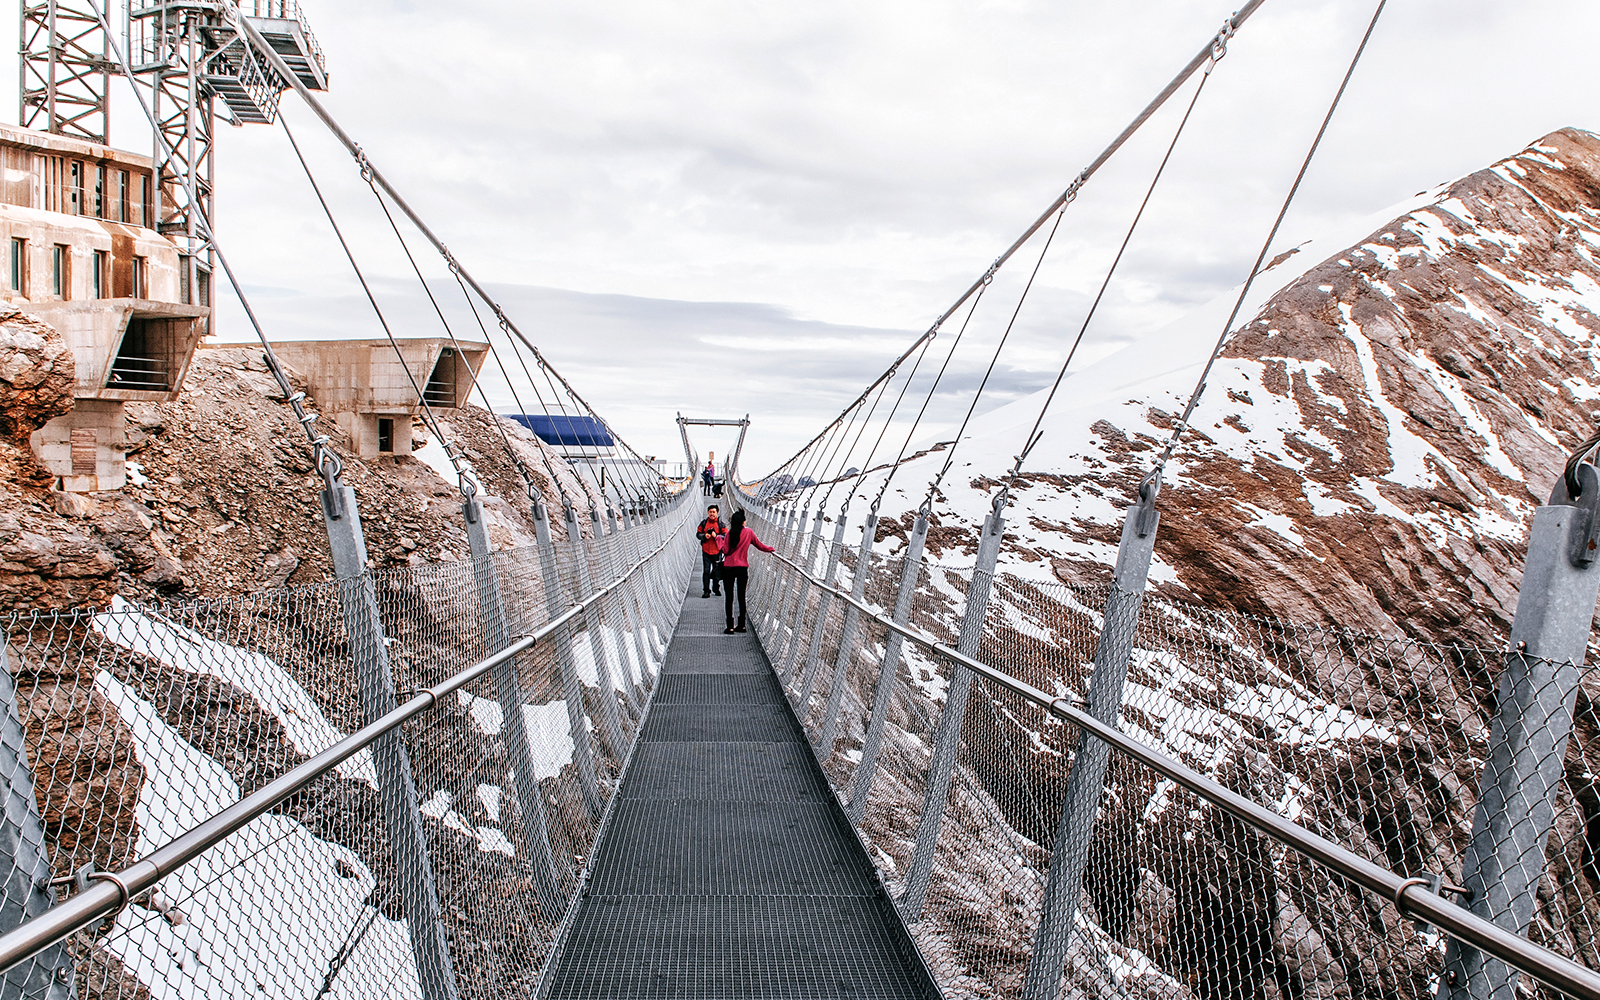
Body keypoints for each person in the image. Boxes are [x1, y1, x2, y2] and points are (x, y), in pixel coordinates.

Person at [718, 509, 773, 634]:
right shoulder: (749, 532)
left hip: (728, 568)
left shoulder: (729, 534)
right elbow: (760, 545)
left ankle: (730, 626)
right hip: (742, 568)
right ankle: (742, 625)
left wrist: (718, 540)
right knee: (741, 596)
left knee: (729, 597)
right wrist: (770, 549)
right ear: (743, 522)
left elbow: (725, 551)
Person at [696, 505, 726, 598]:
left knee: (717, 571)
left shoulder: (721, 524)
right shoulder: (703, 523)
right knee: (706, 571)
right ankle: (706, 590)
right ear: (708, 513)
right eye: (710, 512)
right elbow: (698, 534)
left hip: (717, 551)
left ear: (717, 513)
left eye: (714, 512)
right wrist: (705, 536)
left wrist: (716, 536)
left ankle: (716, 588)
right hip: (706, 551)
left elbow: (725, 536)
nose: (712, 514)